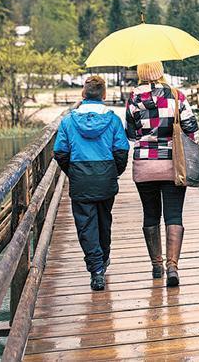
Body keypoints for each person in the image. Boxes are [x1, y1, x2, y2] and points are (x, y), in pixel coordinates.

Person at [125, 61, 199, 287]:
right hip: (173, 164)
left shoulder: (133, 98)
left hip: (144, 164)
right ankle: (172, 267)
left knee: (150, 214)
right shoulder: (177, 96)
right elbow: (192, 129)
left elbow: (130, 133)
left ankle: (156, 265)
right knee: (174, 215)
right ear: (160, 72)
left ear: (140, 74)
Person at [53, 76, 130, 291]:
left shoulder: (68, 121)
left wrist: (73, 172)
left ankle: (96, 270)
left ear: (83, 94)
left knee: (86, 225)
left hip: (81, 179)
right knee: (105, 220)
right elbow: (121, 151)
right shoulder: (113, 120)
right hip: (105, 177)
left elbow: (60, 152)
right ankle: (103, 259)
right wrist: (113, 172)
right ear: (104, 95)